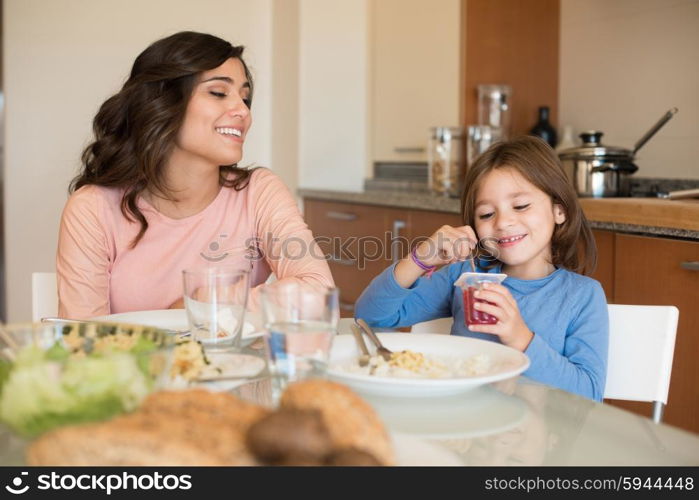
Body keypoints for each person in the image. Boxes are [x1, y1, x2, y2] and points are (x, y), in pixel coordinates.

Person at [57, 31, 333, 319]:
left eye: (245, 98)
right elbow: (82, 342)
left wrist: (199, 302)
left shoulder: (259, 192)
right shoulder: (93, 208)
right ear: (160, 103)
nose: (243, 111)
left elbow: (319, 295)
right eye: (218, 93)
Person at [355, 136, 608, 401]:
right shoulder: (464, 278)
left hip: (534, 434)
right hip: (464, 428)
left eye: (521, 206)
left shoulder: (582, 296)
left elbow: (589, 395)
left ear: (560, 210)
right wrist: (420, 259)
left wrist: (520, 337)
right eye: (487, 214)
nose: (503, 222)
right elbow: (370, 317)